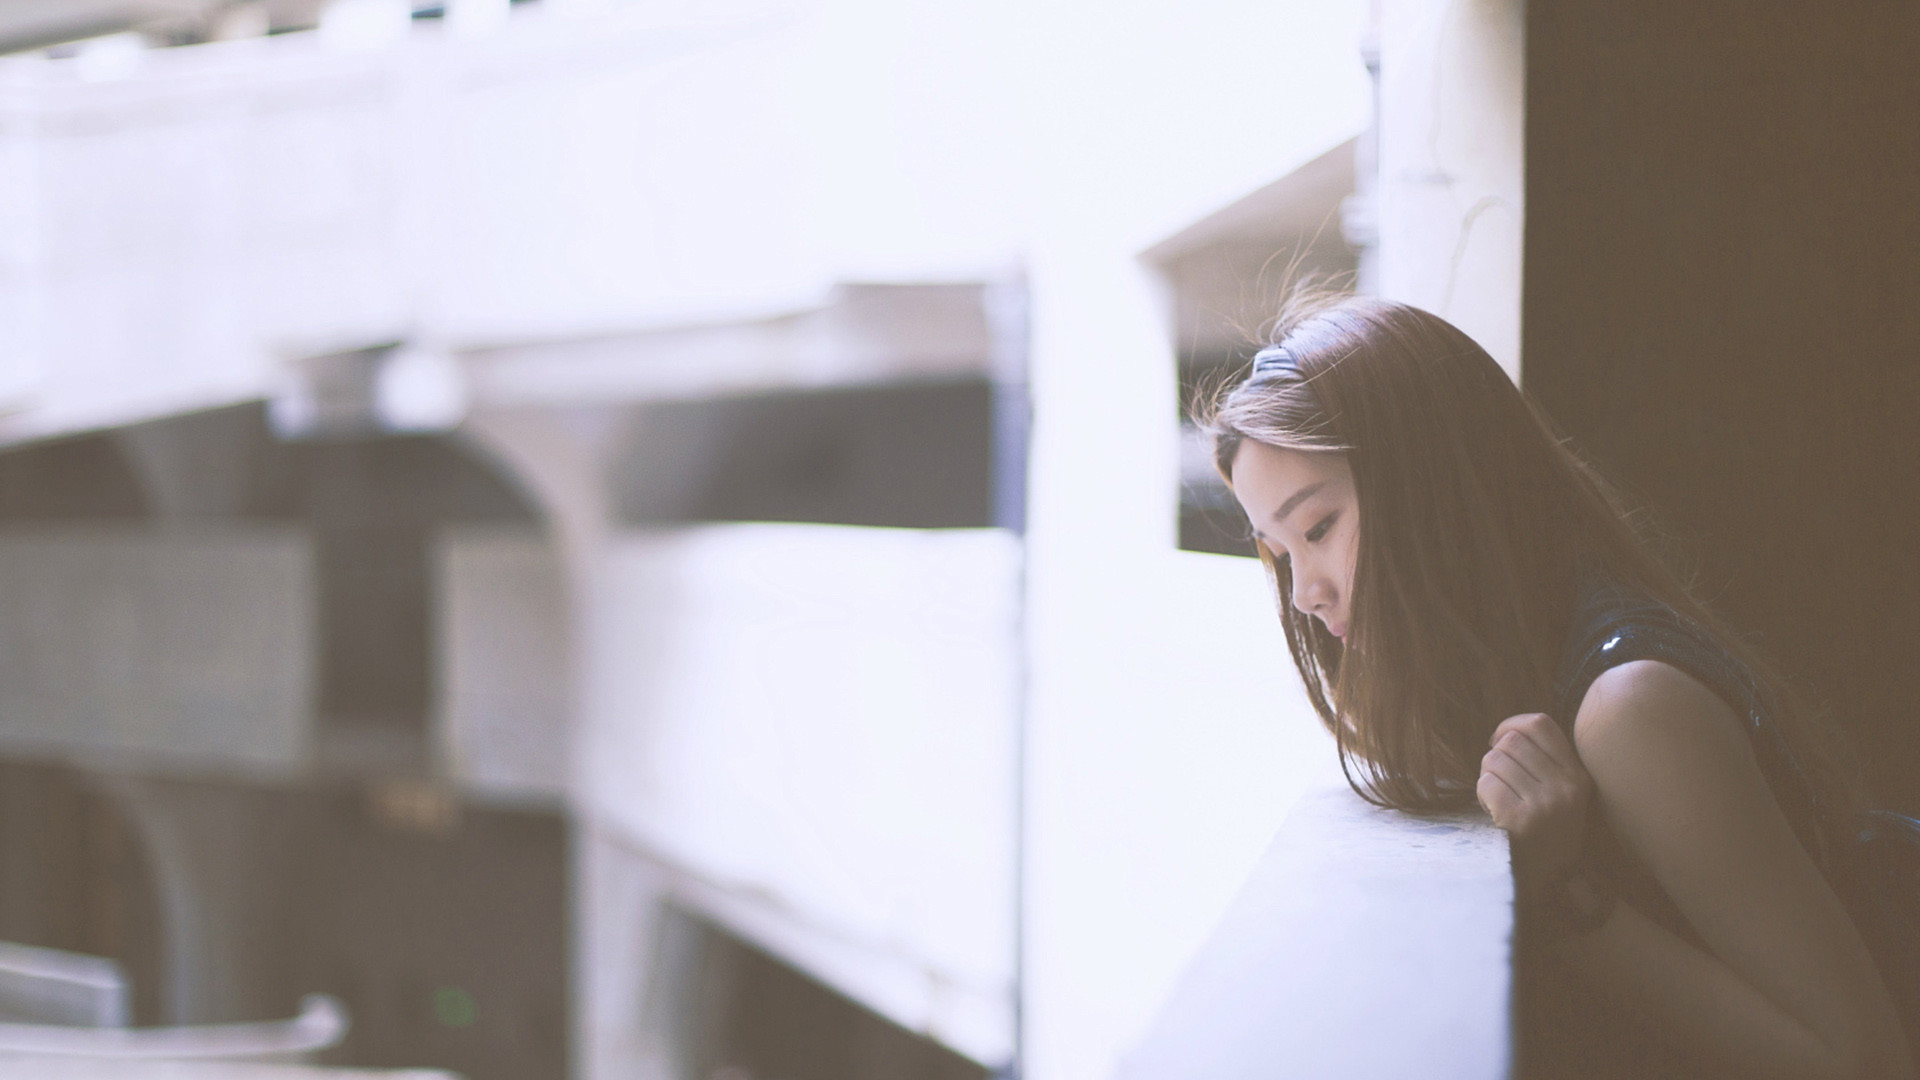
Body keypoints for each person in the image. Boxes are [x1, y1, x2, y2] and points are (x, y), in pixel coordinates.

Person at [1197, 291, 1916, 1079]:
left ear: (1431, 483)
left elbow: (1863, 1061)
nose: (1304, 592)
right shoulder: (1520, 667)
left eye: (1320, 529)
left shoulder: (1629, 708)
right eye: (1279, 552)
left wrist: (1571, 904)